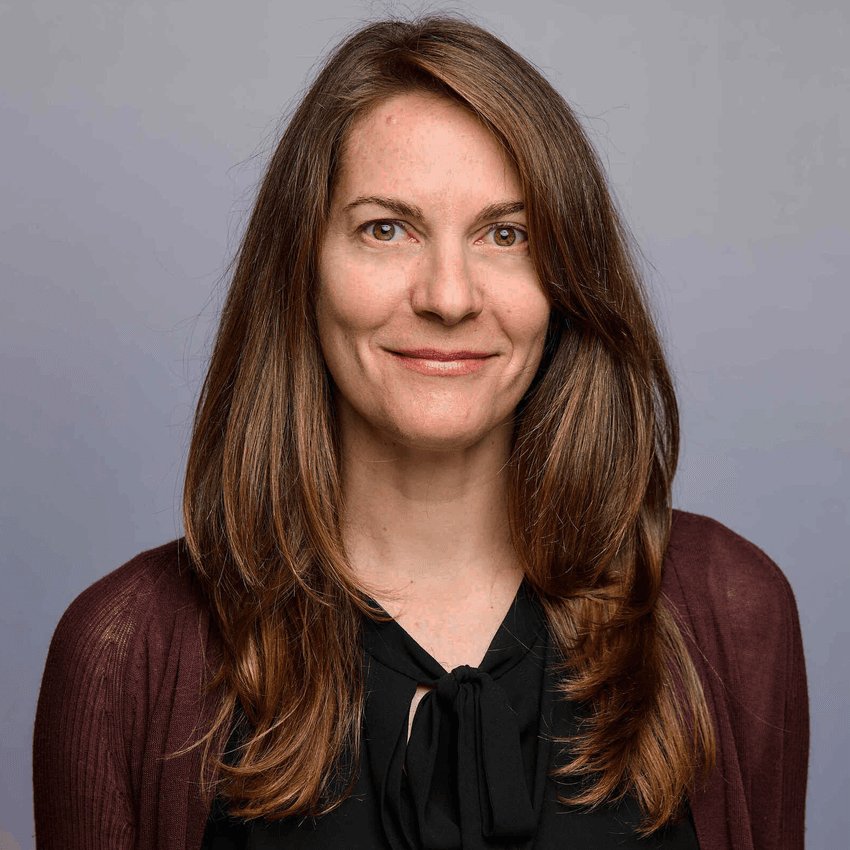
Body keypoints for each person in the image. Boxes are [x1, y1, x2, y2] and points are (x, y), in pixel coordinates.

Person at [32, 15, 808, 850]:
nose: (448, 296)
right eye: (386, 228)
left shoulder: (731, 613)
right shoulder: (126, 652)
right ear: (303, 268)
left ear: (565, 282)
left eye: (506, 235)